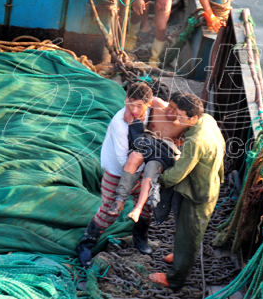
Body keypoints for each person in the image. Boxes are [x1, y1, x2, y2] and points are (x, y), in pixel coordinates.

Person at [147, 92, 226, 290]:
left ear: (193, 118)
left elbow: (177, 175)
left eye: (181, 117)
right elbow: (221, 147)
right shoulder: (207, 120)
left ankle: (175, 279)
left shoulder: (195, 141)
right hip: (210, 180)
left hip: (198, 195)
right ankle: (180, 255)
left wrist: (157, 181)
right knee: (184, 229)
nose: (177, 120)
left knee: (189, 235)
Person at [76, 82, 156, 266]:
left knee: (146, 206)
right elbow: (122, 159)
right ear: (125, 100)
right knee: (110, 210)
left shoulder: (154, 111)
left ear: (148, 104)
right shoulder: (119, 123)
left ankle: (140, 238)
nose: (134, 110)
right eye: (130, 104)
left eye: (139, 105)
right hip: (118, 171)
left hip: (143, 169)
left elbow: (160, 103)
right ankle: (86, 243)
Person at [108, 93, 187, 223]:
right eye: (170, 106)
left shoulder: (183, 125)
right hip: (146, 146)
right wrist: (128, 110)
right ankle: (119, 200)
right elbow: (134, 96)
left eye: (175, 110)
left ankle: (138, 209)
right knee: (134, 156)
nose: (169, 111)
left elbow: (185, 140)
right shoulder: (157, 104)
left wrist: (178, 144)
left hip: (161, 155)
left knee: (151, 168)